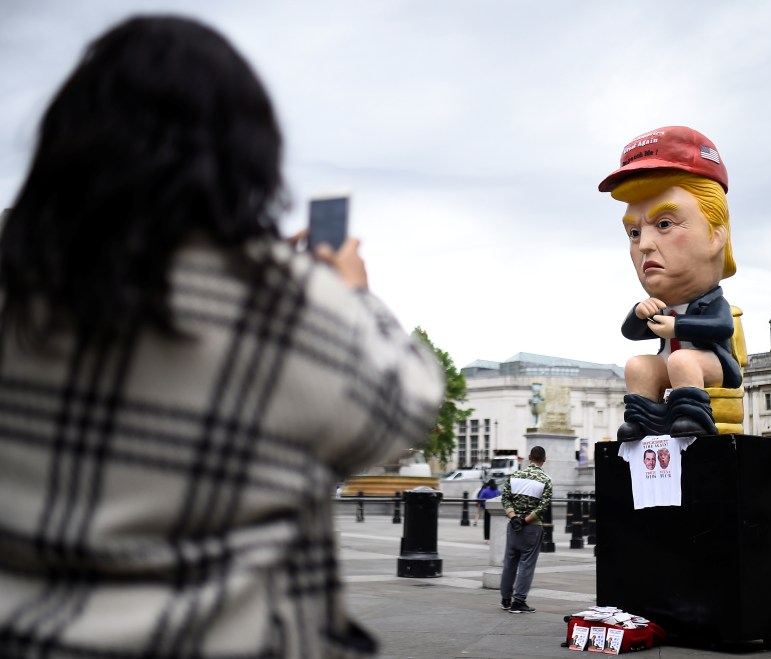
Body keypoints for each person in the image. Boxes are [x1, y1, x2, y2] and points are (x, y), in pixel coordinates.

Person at [0, 16, 445, 658]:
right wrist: (348, 292)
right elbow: (404, 406)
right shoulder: (279, 301)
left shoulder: (20, 281)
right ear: (247, 155)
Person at [599, 126, 739, 439]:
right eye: (634, 233)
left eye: (664, 224)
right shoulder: (661, 304)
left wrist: (678, 328)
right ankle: (642, 419)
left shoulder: (711, 301)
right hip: (670, 363)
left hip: (712, 366)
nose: (644, 245)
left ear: (715, 235)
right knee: (638, 365)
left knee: (683, 359)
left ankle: (691, 416)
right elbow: (630, 334)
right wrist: (639, 313)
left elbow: (722, 327)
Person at [500, 446, 553, 614]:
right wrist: (525, 520)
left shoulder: (514, 476)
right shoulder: (546, 480)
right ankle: (519, 601)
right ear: (544, 459)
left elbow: (505, 498)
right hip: (532, 527)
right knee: (526, 564)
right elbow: (543, 507)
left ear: (529, 457)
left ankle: (506, 599)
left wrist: (514, 517)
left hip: (513, 525)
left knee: (509, 562)